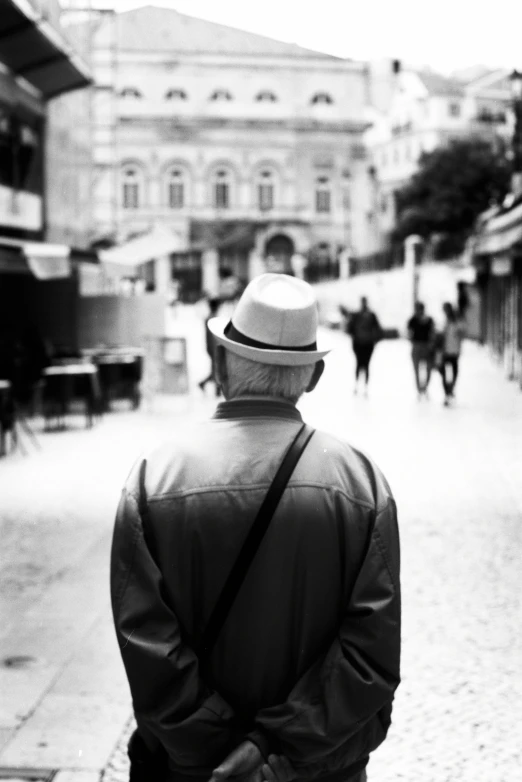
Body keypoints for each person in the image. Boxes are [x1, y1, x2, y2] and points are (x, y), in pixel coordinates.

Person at [110, 273, 401, 782]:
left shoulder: (154, 479)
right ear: (312, 377)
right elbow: (370, 655)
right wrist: (272, 749)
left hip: (192, 770)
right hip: (317, 770)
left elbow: (147, 644)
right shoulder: (361, 483)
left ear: (220, 363)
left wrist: (217, 754)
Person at [346, 297, 383, 396]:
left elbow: (378, 329)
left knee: (364, 364)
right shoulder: (359, 315)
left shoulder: (366, 315)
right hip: (361, 343)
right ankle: (359, 385)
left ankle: (363, 385)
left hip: (366, 343)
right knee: (362, 364)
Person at [439, 302, 466, 406]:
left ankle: (450, 389)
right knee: (443, 372)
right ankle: (447, 392)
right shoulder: (445, 320)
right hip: (445, 350)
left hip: (454, 350)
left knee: (454, 371)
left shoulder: (456, 320)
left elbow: (462, 332)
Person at [406, 302, 435, 399]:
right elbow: (409, 332)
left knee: (428, 368)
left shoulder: (429, 320)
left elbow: (432, 332)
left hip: (426, 346)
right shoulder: (413, 320)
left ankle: (425, 387)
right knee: (416, 370)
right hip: (417, 345)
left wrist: (431, 343)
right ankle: (419, 389)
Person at [198, 297, 221, 395]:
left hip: (212, 348)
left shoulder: (210, 318)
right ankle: (217, 389)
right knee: (217, 370)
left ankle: (204, 384)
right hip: (214, 348)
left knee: (215, 370)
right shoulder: (212, 319)